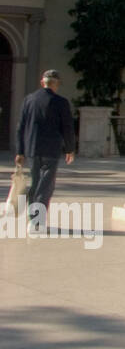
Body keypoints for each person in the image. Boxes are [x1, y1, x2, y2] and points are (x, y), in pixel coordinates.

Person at [14, 69, 76, 231]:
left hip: (32, 148)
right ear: (56, 84)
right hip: (51, 150)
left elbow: (20, 127)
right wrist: (70, 149)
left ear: (43, 83)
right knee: (46, 185)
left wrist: (20, 151)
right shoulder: (61, 102)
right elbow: (67, 127)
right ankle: (36, 221)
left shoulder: (29, 100)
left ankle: (32, 218)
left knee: (36, 182)